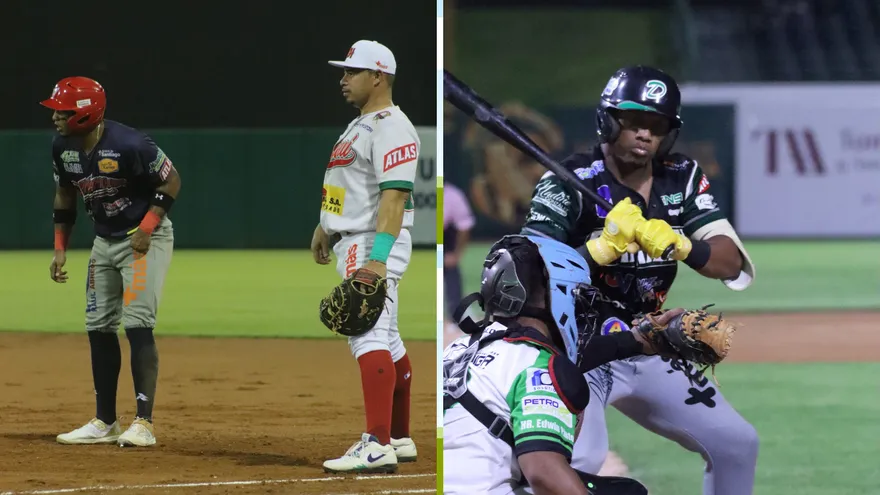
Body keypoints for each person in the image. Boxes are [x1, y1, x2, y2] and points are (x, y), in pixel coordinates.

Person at [521, 66, 759, 494]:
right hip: (575, 348)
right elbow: (523, 272)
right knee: (577, 461)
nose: (645, 134)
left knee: (737, 444)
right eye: (634, 122)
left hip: (648, 341)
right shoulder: (568, 180)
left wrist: (684, 246)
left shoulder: (680, 176)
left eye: (656, 125)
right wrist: (597, 249)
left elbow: (728, 262)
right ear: (608, 121)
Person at [443, 234, 655, 495]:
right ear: (556, 295)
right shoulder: (537, 364)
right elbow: (543, 472)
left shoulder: (459, 348)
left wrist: (638, 340)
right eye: (576, 297)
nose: (581, 309)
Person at [46, 76, 181, 448]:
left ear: (87, 112)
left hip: (142, 242)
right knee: (98, 327)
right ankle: (105, 421)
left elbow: (171, 183)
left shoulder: (130, 144)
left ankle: (144, 422)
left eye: (64, 110)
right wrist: (60, 247)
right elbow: (64, 196)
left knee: (138, 324)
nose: (56, 116)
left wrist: (148, 227)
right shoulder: (63, 147)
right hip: (103, 243)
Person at [311, 40, 418, 473]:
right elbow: (350, 185)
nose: (343, 79)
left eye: (351, 72)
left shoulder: (392, 126)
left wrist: (376, 258)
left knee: (367, 335)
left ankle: (375, 444)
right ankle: (399, 436)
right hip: (352, 235)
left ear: (378, 76)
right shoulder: (362, 124)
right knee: (387, 339)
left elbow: (393, 197)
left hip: (373, 241)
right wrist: (326, 224)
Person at [443, 182, 475, 318]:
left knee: (451, 272)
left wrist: (456, 254)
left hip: (446, 240)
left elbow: (464, 227)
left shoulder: (453, 195)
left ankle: (456, 315)